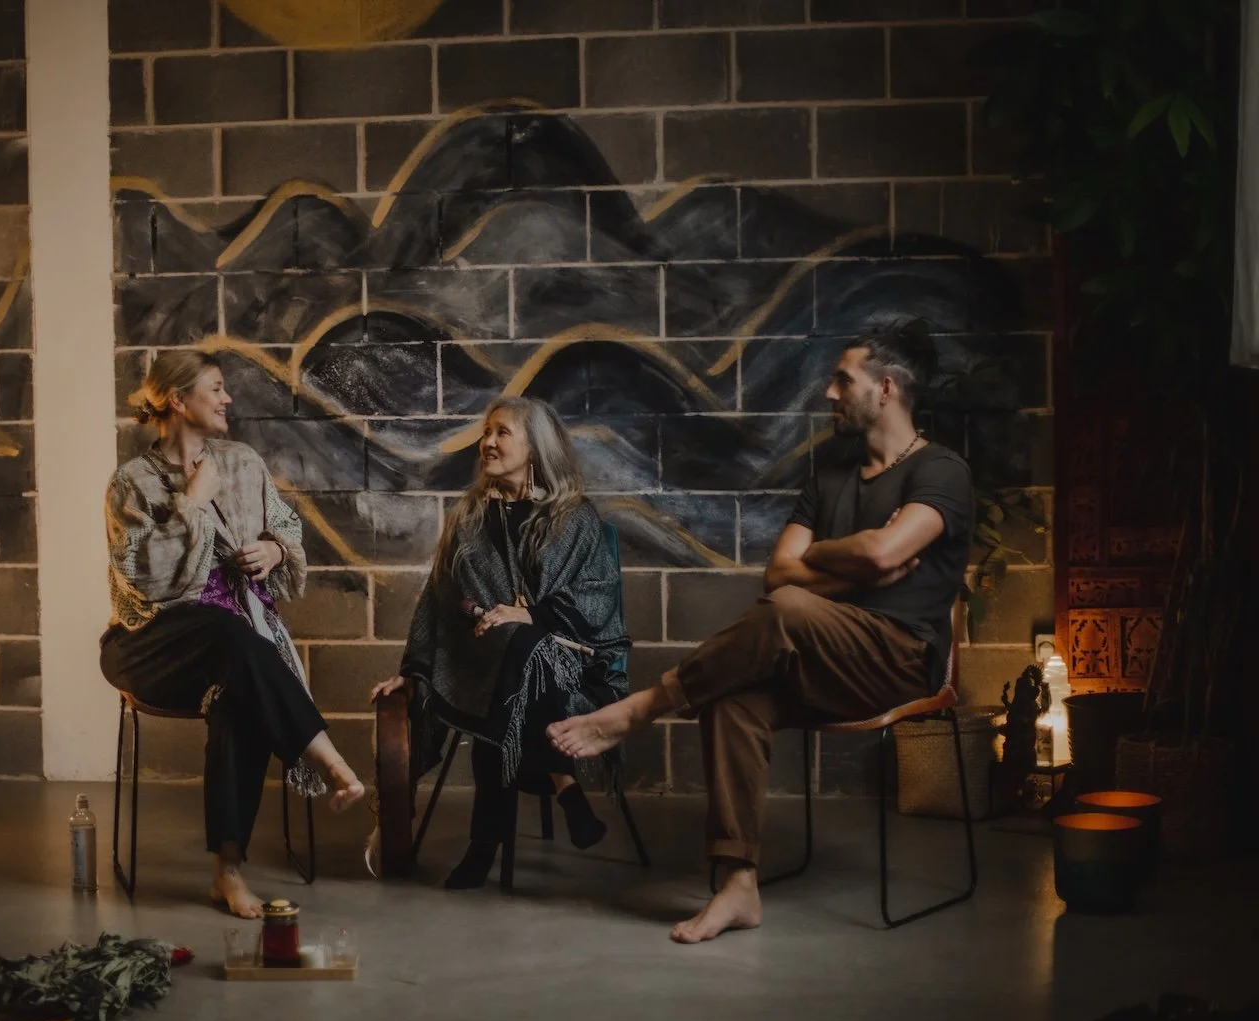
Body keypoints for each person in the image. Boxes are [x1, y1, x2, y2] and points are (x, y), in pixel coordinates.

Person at [549, 321, 972, 942]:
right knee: (733, 696)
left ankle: (637, 709)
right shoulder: (831, 470)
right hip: (820, 656)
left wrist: (834, 562)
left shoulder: (941, 472)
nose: (828, 394)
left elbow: (883, 555)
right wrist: (851, 561)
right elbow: (779, 573)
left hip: (898, 661)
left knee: (789, 614)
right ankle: (737, 885)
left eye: (842, 381)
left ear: (885, 389)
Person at [99, 349, 365, 918]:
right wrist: (191, 503)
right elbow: (150, 582)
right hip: (150, 645)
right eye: (216, 388)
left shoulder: (242, 462)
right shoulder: (131, 484)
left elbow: (287, 530)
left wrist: (273, 550)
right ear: (178, 400)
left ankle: (228, 872)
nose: (228, 399)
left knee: (239, 679)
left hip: (233, 646)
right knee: (229, 634)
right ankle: (326, 756)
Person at [369, 397, 631, 890]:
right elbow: (439, 599)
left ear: (536, 446)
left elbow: (596, 597)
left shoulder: (574, 517)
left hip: (569, 662)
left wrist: (527, 615)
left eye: (502, 433)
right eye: (486, 433)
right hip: (478, 660)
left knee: (519, 651)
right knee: (511, 651)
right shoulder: (468, 519)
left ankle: (483, 845)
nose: (487, 443)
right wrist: (415, 668)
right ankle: (565, 785)